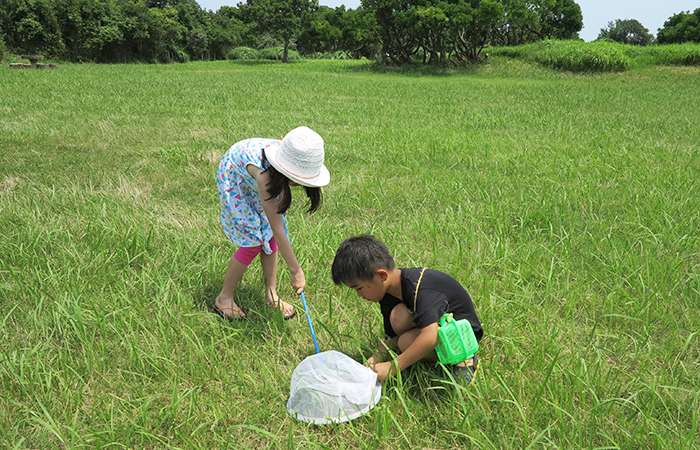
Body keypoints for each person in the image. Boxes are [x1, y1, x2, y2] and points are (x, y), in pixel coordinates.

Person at [213, 126, 330, 320]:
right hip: (236, 177)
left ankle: (271, 294)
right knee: (253, 243)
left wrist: (280, 198)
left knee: (268, 237)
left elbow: (280, 177)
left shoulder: (289, 157)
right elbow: (278, 228)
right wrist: (296, 270)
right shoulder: (265, 177)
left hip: (266, 175)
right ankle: (223, 298)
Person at [331, 234, 483, 383]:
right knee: (398, 317)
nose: (359, 295)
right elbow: (391, 339)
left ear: (381, 276)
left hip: (463, 333)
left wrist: (393, 367)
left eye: (359, 288)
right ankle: (419, 350)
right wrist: (374, 359)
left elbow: (430, 337)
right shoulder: (388, 292)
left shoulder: (421, 288)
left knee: (406, 342)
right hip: (438, 325)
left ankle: (465, 358)